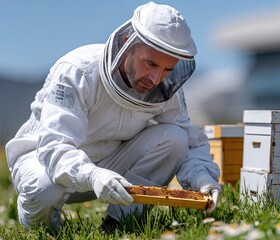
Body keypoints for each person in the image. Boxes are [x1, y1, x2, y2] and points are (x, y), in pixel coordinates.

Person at [5, 1, 221, 231]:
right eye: (150, 63)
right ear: (129, 44)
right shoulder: (77, 71)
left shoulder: (165, 89)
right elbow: (55, 147)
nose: (156, 78)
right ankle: (42, 229)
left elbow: (188, 140)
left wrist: (202, 178)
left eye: (168, 69)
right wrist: (92, 176)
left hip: (109, 171)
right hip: (43, 162)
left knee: (175, 138)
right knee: (45, 188)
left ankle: (121, 223)